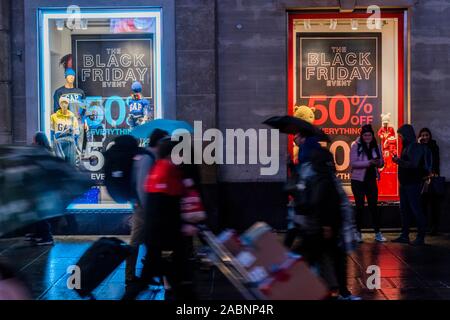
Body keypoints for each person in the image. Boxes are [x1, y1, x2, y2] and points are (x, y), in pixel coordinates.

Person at [123, 138, 196, 300]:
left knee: (168, 282)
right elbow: (168, 206)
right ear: (171, 154)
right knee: (180, 283)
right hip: (164, 240)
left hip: (158, 239)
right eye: (179, 153)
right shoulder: (167, 172)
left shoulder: (158, 170)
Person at [125, 129, 169, 286]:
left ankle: (148, 273)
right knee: (136, 240)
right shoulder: (147, 158)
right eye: (165, 141)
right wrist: (148, 208)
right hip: (143, 208)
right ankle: (130, 275)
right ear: (159, 142)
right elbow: (142, 186)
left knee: (148, 240)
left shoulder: (150, 156)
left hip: (143, 206)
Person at [392, 124, 432, 246]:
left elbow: (412, 164)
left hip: (412, 183)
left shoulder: (414, 147)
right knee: (404, 210)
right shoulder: (408, 146)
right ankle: (404, 235)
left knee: (416, 209)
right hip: (405, 183)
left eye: (401, 135)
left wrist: (398, 161)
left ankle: (420, 236)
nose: (400, 138)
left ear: (407, 135)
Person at [350, 124, 386, 243]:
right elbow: (353, 163)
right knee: (359, 207)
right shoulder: (356, 146)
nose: (367, 137)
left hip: (371, 180)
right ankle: (357, 233)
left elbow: (381, 163)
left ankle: (377, 233)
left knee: (373, 207)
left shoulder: (377, 146)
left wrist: (378, 163)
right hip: (358, 181)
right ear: (361, 135)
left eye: (369, 135)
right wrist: (369, 162)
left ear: (372, 135)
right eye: (365, 135)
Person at [24, 132, 55, 246]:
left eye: (34, 140)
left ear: (38, 141)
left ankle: (47, 237)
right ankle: (38, 234)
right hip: (40, 187)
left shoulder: (43, 153)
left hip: (43, 188)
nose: (32, 142)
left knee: (41, 212)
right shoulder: (43, 152)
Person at [418, 128, 441, 235]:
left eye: (426, 135)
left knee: (433, 204)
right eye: (422, 135)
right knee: (422, 204)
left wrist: (433, 173)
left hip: (432, 178)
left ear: (430, 136)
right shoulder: (419, 147)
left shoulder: (434, 146)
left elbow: (436, 161)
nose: (425, 137)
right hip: (422, 179)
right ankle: (424, 226)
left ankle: (434, 227)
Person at [51, 96, 79, 166]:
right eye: (62, 103)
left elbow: (76, 134)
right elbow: (51, 132)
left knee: (70, 165)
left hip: (70, 143)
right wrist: (52, 144)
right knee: (59, 164)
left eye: (66, 103)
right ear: (59, 104)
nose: (64, 105)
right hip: (59, 143)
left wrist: (76, 147)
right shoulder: (54, 117)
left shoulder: (73, 118)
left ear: (68, 104)